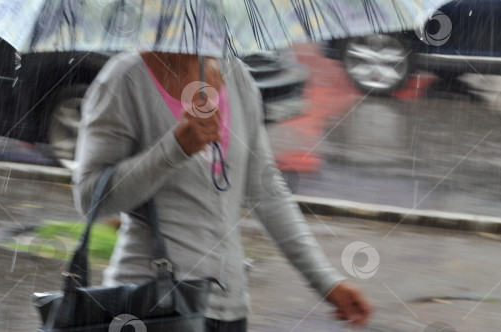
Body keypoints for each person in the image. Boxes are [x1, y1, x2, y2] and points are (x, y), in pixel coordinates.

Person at [72, 50, 374, 331]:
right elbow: (89, 197)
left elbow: (267, 193)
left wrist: (325, 281)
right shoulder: (124, 80)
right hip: (151, 306)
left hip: (228, 310)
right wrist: (173, 150)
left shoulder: (236, 76)